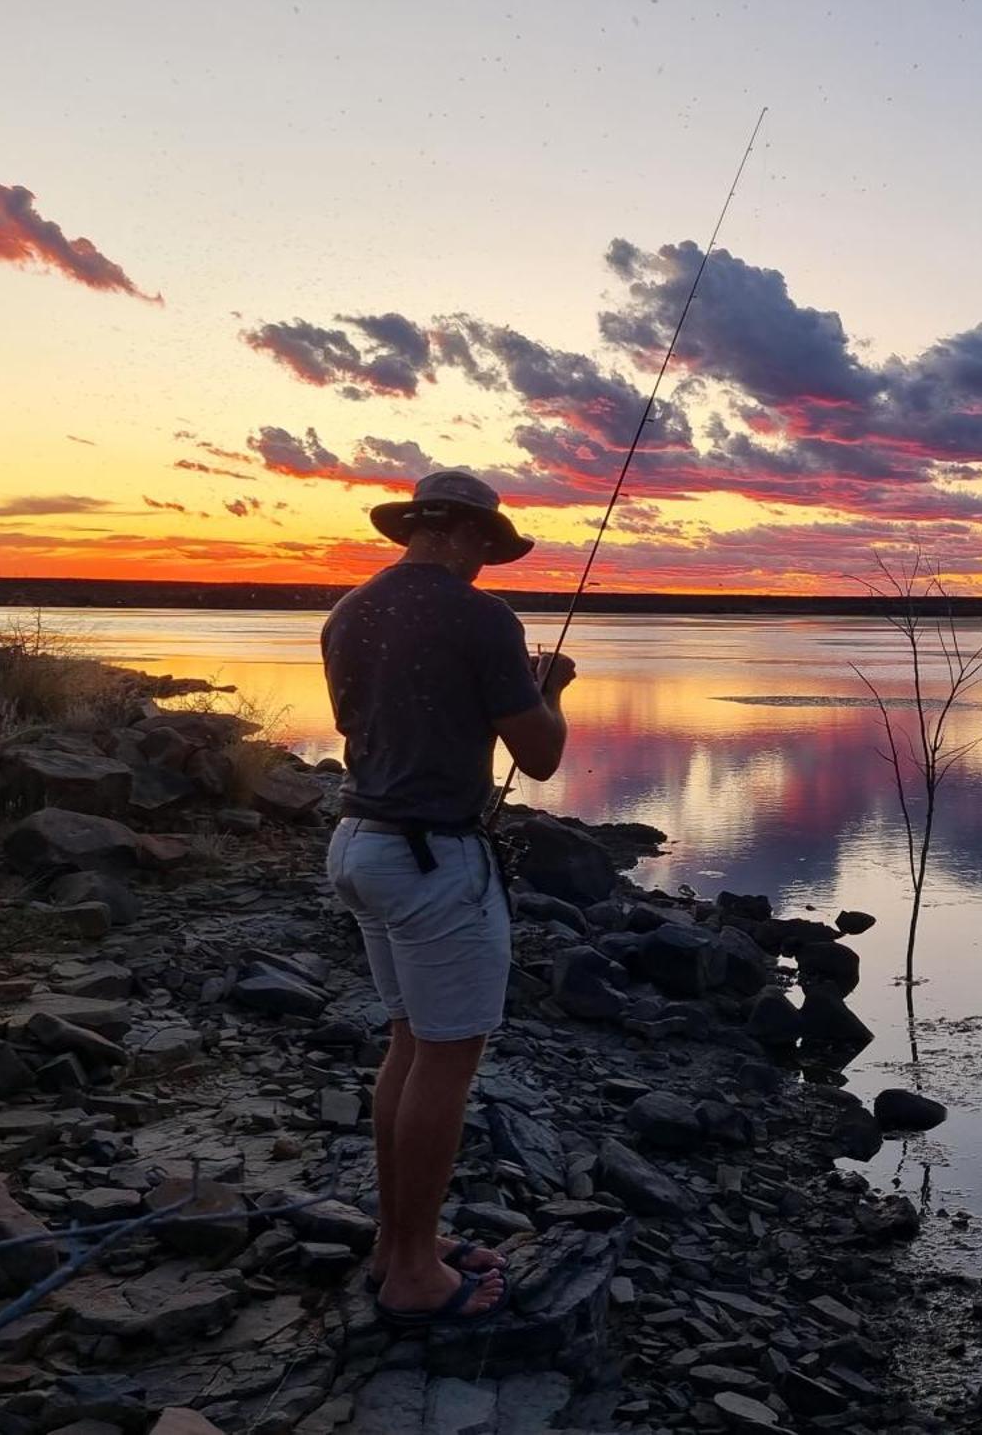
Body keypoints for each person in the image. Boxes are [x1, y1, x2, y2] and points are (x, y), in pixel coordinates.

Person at [320, 469, 575, 1327]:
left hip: (358, 844)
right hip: (433, 861)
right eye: (487, 549)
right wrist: (552, 690)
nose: (485, 566)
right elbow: (537, 756)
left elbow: (376, 726)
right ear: (466, 535)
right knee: (446, 1060)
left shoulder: (349, 611)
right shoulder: (482, 618)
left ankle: (400, 1247)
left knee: (408, 1043)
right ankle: (416, 1277)